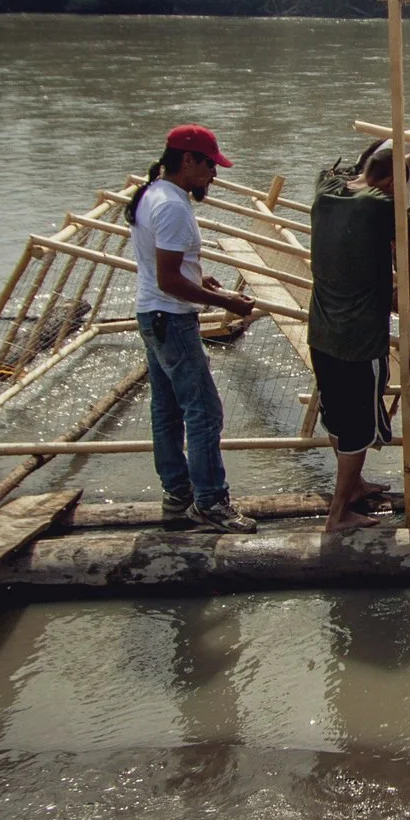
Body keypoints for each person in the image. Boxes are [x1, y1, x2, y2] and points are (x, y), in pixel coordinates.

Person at [126, 124, 258, 534]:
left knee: (167, 411)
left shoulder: (154, 194)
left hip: (153, 314)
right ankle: (211, 503)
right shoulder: (173, 207)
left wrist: (202, 280)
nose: (213, 176)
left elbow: (166, 269)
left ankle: (177, 497)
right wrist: (227, 303)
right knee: (204, 411)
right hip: (171, 317)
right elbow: (169, 280)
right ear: (187, 160)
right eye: (209, 166)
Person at [307, 141, 404, 532]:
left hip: (322, 335)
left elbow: (356, 175)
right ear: (389, 182)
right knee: (359, 431)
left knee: (335, 418)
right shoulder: (380, 207)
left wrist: (403, 159)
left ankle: (356, 487)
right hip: (359, 343)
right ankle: (339, 514)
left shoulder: (325, 194)